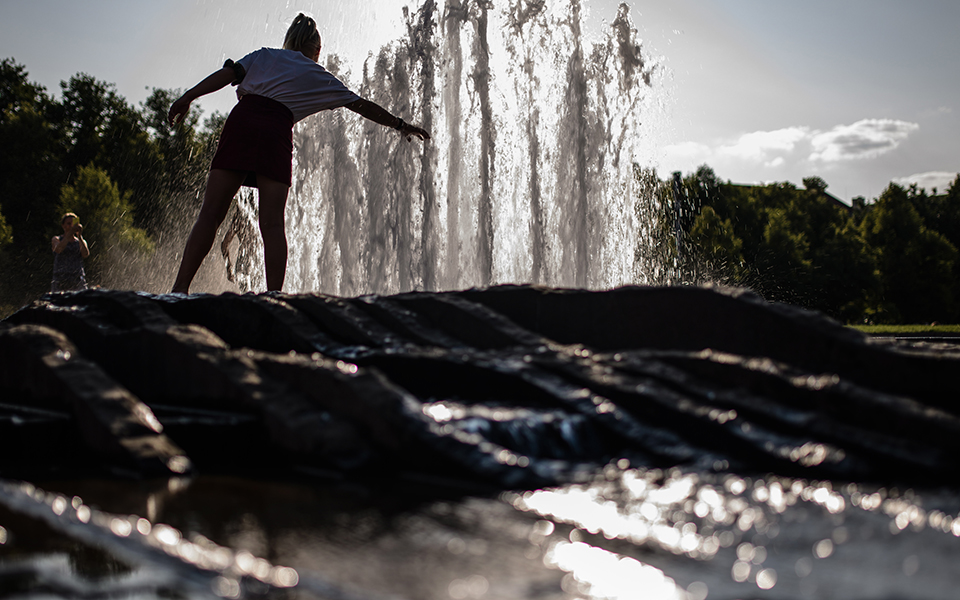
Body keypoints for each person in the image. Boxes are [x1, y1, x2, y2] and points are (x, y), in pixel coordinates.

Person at [168, 13, 430, 293]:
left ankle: (180, 288)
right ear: (317, 50)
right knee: (272, 224)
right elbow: (361, 105)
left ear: (289, 40)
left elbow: (227, 75)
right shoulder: (317, 74)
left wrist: (188, 97)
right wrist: (400, 125)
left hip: (242, 121)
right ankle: (274, 295)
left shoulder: (264, 55)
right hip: (276, 130)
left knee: (211, 213)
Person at [51, 212, 90, 292]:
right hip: (60, 278)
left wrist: (79, 236)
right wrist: (70, 233)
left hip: (77, 278)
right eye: (69, 224)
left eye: (73, 223)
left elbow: (85, 254)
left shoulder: (80, 241)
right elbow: (59, 249)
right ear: (63, 226)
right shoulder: (56, 239)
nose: (71, 226)